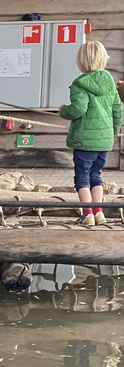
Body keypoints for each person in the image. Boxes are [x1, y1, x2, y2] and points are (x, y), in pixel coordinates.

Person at [59, 40, 123, 227]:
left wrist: (63, 111)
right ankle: (99, 213)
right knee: (96, 175)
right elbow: (118, 109)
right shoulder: (110, 82)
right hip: (104, 140)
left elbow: (78, 109)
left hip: (84, 140)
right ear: (103, 58)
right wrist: (113, 132)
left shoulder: (80, 84)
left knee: (82, 176)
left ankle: (87, 214)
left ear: (81, 60)